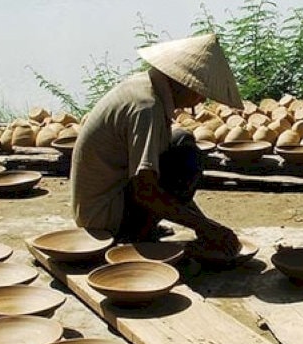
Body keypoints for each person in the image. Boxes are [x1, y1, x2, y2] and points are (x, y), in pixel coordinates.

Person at [70, 33, 242, 259]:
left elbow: (159, 183)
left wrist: (203, 224)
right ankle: (133, 232)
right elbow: (145, 192)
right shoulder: (146, 108)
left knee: (181, 139)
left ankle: (144, 224)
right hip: (103, 216)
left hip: (103, 199)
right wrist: (206, 228)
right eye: (200, 91)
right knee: (186, 156)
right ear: (182, 82)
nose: (201, 100)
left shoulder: (145, 85)